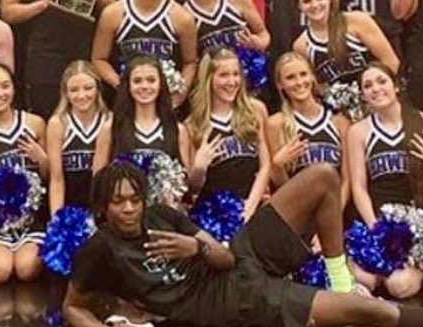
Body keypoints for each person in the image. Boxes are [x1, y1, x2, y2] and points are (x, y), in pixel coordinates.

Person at [63, 160, 423, 327]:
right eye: (119, 201)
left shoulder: (162, 216)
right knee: (372, 311)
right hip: (235, 303)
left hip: (237, 258)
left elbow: (223, 257)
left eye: (134, 198)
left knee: (323, 177)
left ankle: (339, 280)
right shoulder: (99, 250)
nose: (129, 208)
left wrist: (195, 244)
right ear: (104, 207)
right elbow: (72, 306)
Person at [346, 63, 423, 297]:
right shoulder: (359, 131)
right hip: (378, 219)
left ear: (396, 86)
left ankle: (419, 265)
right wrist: (376, 228)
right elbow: (359, 188)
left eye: (382, 81)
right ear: (362, 95)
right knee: (364, 280)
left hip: (416, 222)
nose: (376, 89)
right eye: (368, 85)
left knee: (399, 286)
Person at [92, 0, 199, 107]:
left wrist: (179, 96)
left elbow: (190, 62)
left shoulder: (182, 17)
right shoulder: (114, 13)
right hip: (125, 104)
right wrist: (122, 85)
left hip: (164, 103)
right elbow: (98, 59)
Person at [0, 63, 48, 283]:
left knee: (26, 270)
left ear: (14, 89)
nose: (0, 93)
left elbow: (51, 177)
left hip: (30, 218)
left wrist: (41, 158)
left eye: (5, 86)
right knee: (0, 271)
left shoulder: (35, 124)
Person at [184, 50, 270, 220]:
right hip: (215, 215)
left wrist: (249, 207)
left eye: (236, 74)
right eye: (223, 75)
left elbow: (265, 165)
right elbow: (193, 190)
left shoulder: (255, 110)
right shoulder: (193, 125)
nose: (232, 82)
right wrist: (200, 168)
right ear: (208, 79)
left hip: (252, 205)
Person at [293, 0, 399, 99]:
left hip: (378, 99)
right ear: (299, 6)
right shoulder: (301, 45)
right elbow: (317, 86)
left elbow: (391, 62)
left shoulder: (357, 21)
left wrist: (376, 94)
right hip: (341, 110)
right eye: (307, 1)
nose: (315, 4)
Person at [265, 52, 349, 203]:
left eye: (303, 74)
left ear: (312, 77)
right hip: (296, 211)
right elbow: (280, 185)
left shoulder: (339, 122)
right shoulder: (275, 124)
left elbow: (348, 178)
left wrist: (336, 212)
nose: (299, 82)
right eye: (290, 77)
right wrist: (277, 165)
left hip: (335, 212)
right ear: (280, 85)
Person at [96, 55, 187, 171]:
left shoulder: (178, 130)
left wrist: (200, 168)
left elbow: (188, 183)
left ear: (161, 85)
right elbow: (98, 180)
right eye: (137, 81)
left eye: (151, 80)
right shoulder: (110, 128)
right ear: (128, 86)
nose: (144, 86)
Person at [45, 61, 111, 215]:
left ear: (98, 89)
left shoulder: (109, 121)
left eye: (88, 88)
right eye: (74, 90)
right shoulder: (58, 123)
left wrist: (99, 216)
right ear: (65, 93)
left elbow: (103, 178)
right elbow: (56, 179)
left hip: (100, 206)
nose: (82, 95)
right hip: (70, 207)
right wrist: (58, 220)